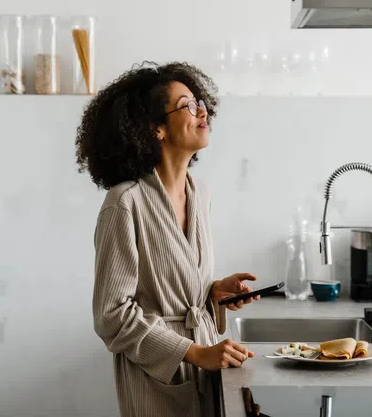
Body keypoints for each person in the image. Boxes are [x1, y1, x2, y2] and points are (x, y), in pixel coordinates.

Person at [76, 61, 259, 417]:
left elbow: (180, 281)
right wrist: (192, 353)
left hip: (206, 360)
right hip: (158, 374)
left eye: (201, 103)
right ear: (156, 128)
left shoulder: (199, 193)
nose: (202, 111)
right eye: (187, 105)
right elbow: (111, 316)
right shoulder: (124, 203)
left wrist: (213, 292)